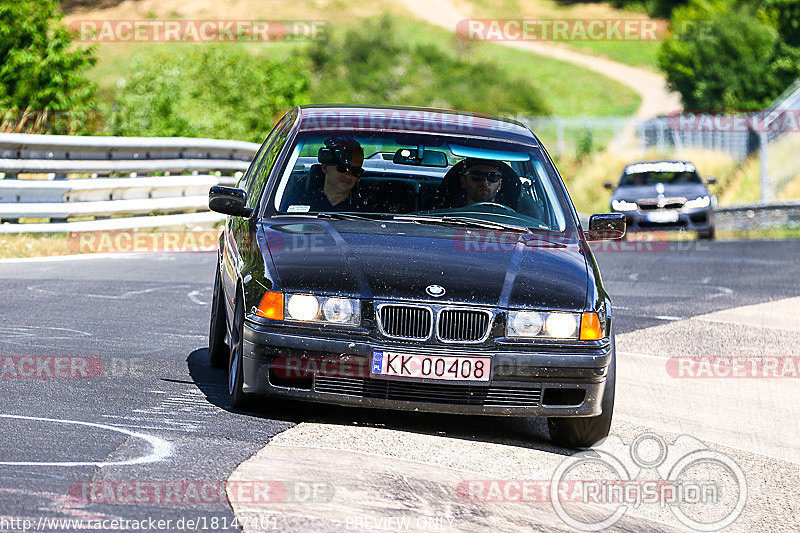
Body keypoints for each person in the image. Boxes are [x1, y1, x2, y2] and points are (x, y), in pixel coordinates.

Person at [287, 138, 366, 212]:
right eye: (343, 168)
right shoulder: (296, 203)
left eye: (356, 171)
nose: (349, 175)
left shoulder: (365, 212)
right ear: (325, 167)